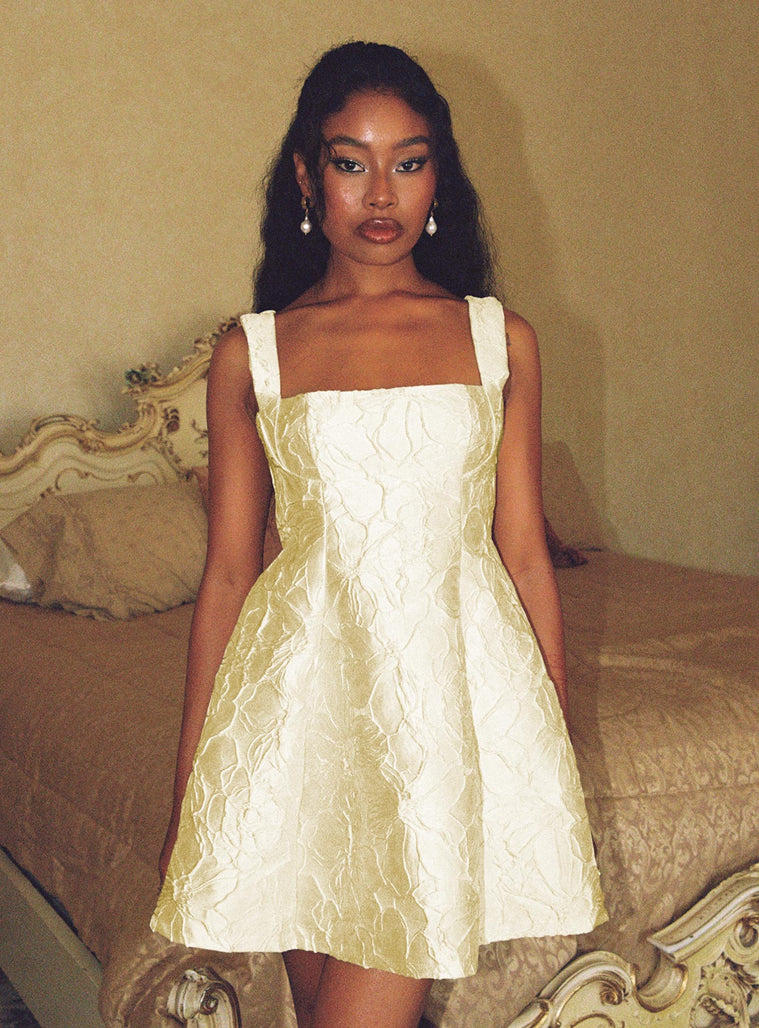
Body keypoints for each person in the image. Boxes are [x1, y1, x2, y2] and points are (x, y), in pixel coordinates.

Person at [151, 41, 605, 1028]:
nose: (381, 192)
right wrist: (194, 778)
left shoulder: (501, 339)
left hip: (439, 711)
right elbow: (228, 575)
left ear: (440, 176)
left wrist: (549, 742)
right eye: (351, 162)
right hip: (296, 712)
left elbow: (524, 554)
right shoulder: (252, 353)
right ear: (307, 176)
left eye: (410, 160)